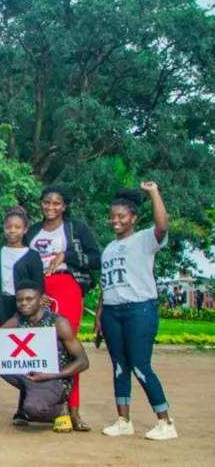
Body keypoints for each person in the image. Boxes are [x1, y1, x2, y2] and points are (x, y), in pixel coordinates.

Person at [0, 280, 89, 431]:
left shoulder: (58, 323)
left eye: (29, 299)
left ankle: (60, 410)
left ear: (41, 299)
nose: (24, 303)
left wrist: (50, 375)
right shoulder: (17, 321)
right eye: (19, 300)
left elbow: (83, 361)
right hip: (27, 374)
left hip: (53, 381)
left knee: (33, 411)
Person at [97, 184, 176, 441]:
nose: (115, 221)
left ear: (133, 218)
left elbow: (162, 226)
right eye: (112, 216)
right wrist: (99, 317)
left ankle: (165, 421)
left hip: (139, 309)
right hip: (112, 311)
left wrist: (154, 193)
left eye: (121, 216)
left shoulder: (144, 239)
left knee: (140, 366)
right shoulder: (108, 248)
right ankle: (123, 420)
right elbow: (105, 285)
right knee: (119, 367)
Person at [24, 184, 101, 431]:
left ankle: (74, 410)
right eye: (46, 202)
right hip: (38, 292)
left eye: (56, 203)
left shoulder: (76, 228)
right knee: (38, 347)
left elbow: (96, 258)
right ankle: (47, 406)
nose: (51, 207)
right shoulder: (33, 231)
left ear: (64, 206)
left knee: (67, 346)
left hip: (67, 286)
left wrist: (66, 256)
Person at [0, 207, 43, 329]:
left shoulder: (33, 255)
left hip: (24, 306)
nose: (12, 231)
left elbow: (38, 286)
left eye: (17, 227)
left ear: (25, 229)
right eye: (8, 227)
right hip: (1, 305)